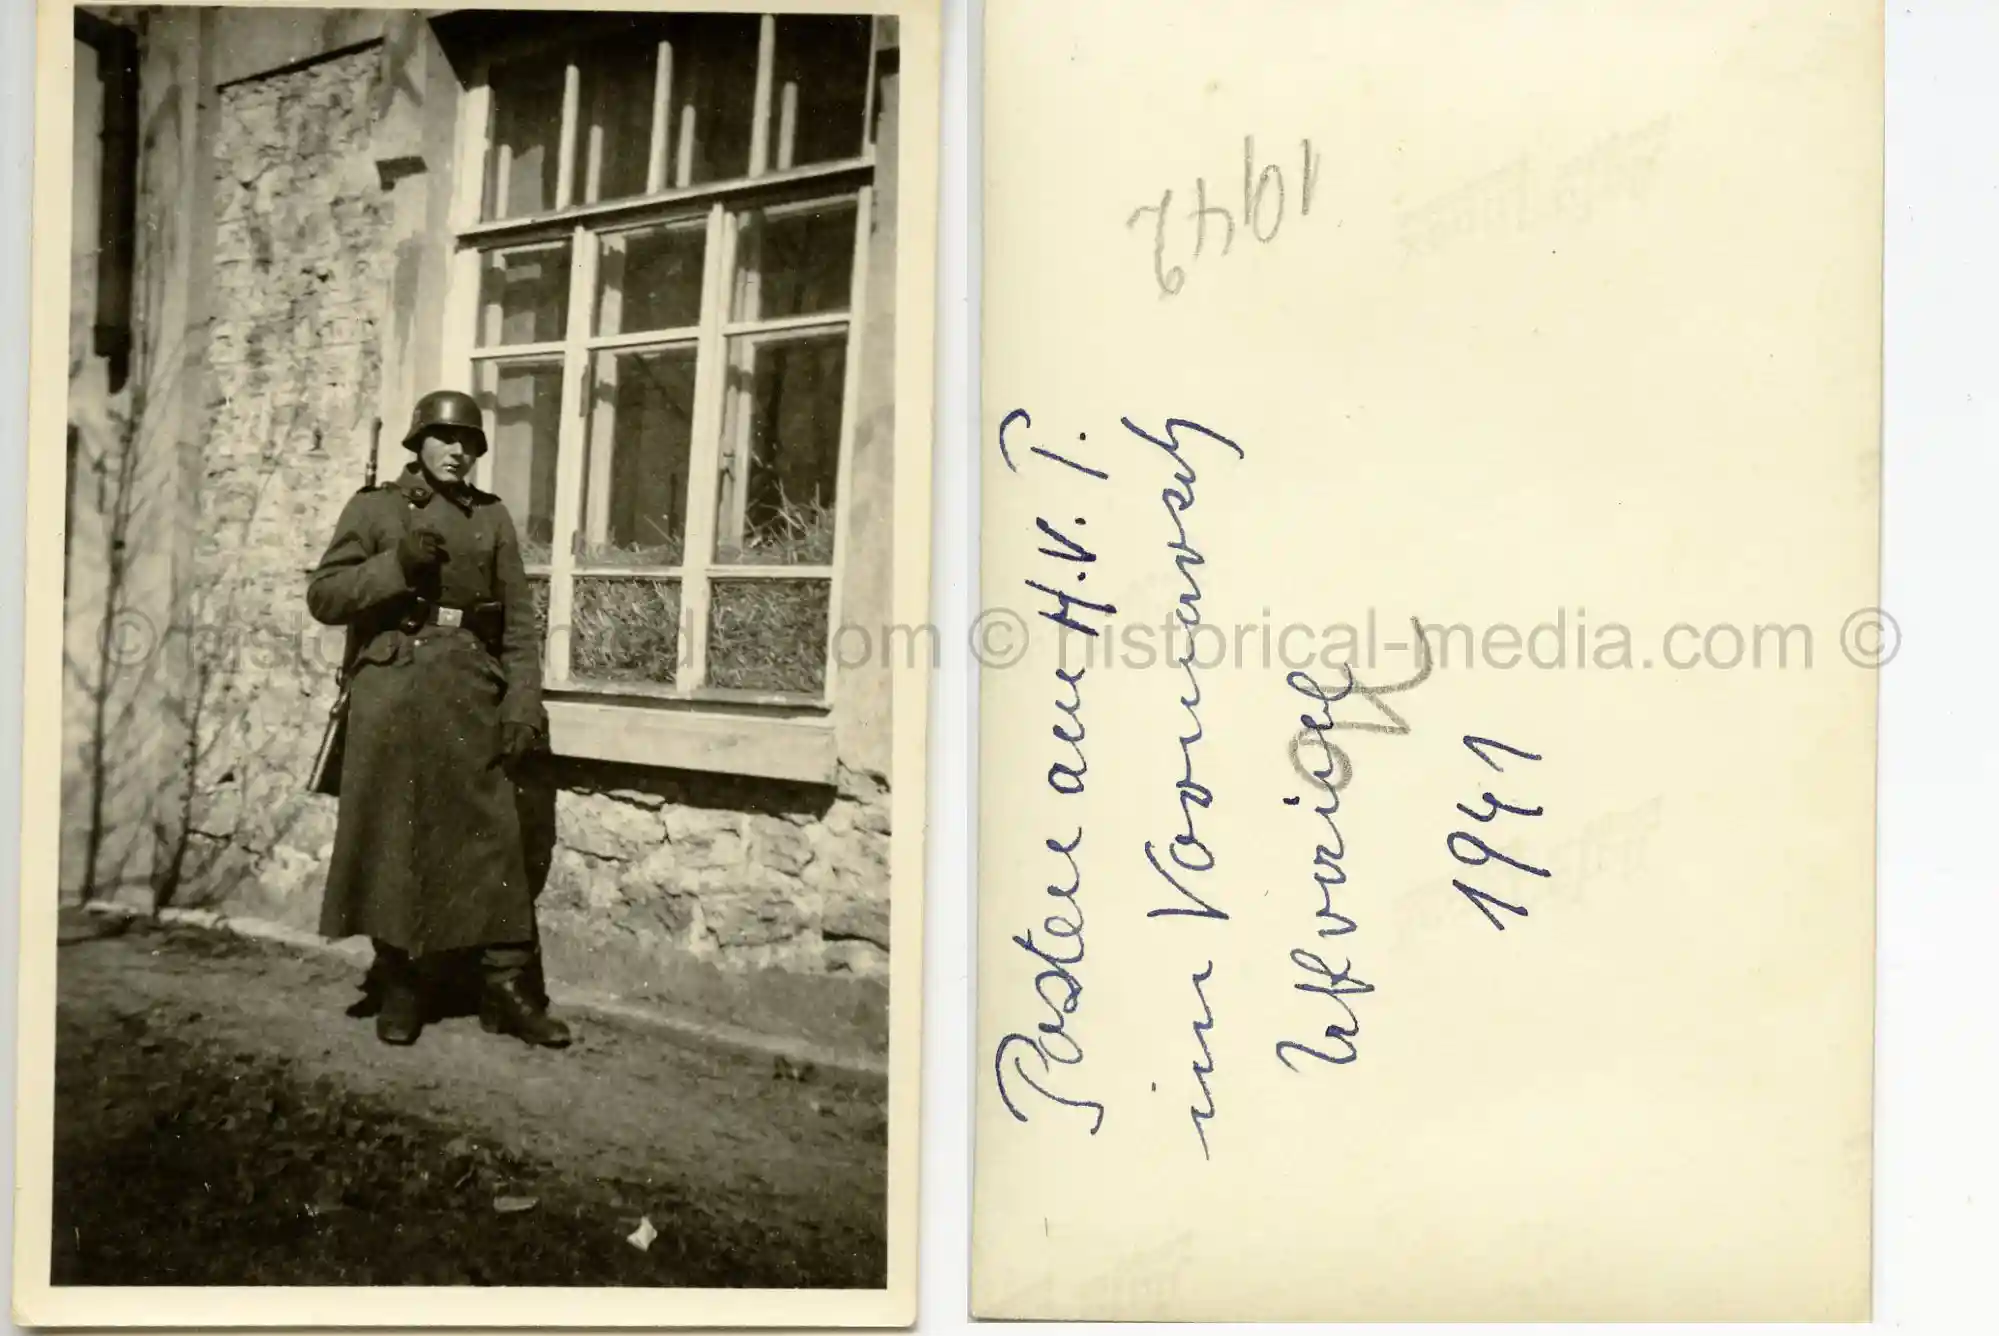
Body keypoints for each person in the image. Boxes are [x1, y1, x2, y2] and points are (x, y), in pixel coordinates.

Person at [306, 389, 569, 1049]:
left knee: (494, 836)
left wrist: (521, 702)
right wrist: (396, 565)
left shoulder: (491, 517)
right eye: (447, 438)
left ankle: (506, 988)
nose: (460, 451)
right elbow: (326, 596)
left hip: (471, 689)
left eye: (470, 442)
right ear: (418, 444)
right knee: (395, 836)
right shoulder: (374, 509)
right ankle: (401, 982)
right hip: (393, 692)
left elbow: (518, 622)